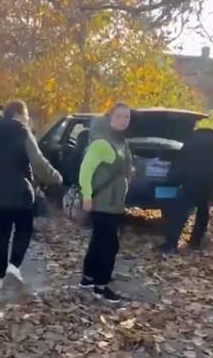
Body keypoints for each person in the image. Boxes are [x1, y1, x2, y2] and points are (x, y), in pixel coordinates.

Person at [0, 100, 62, 290]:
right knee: (24, 228)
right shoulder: (23, 132)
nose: (27, 118)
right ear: (18, 114)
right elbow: (38, 162)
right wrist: (56, 177)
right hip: (20, 192)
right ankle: (14, 266)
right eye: (25, 115)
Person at [78, 103, 133, 303]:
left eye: (127, 117)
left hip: (114, 203)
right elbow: (85, 170)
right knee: (109, 245)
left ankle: (88, 278)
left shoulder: (121, 141)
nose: (124, 120)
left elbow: (126, 167)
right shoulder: (101, 143)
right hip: (102, 203)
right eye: (119, 116)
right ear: (110, 118)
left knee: (99, 241)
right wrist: (87, 195)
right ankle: (101, 287)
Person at [159, 128, 213, 255]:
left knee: (178, 214)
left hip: (189, 185)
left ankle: (171, 245)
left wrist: (173, 180)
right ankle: (195, 242)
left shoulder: (190, 142)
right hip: (208, 185)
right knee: (203, 214)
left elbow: (180, 164)